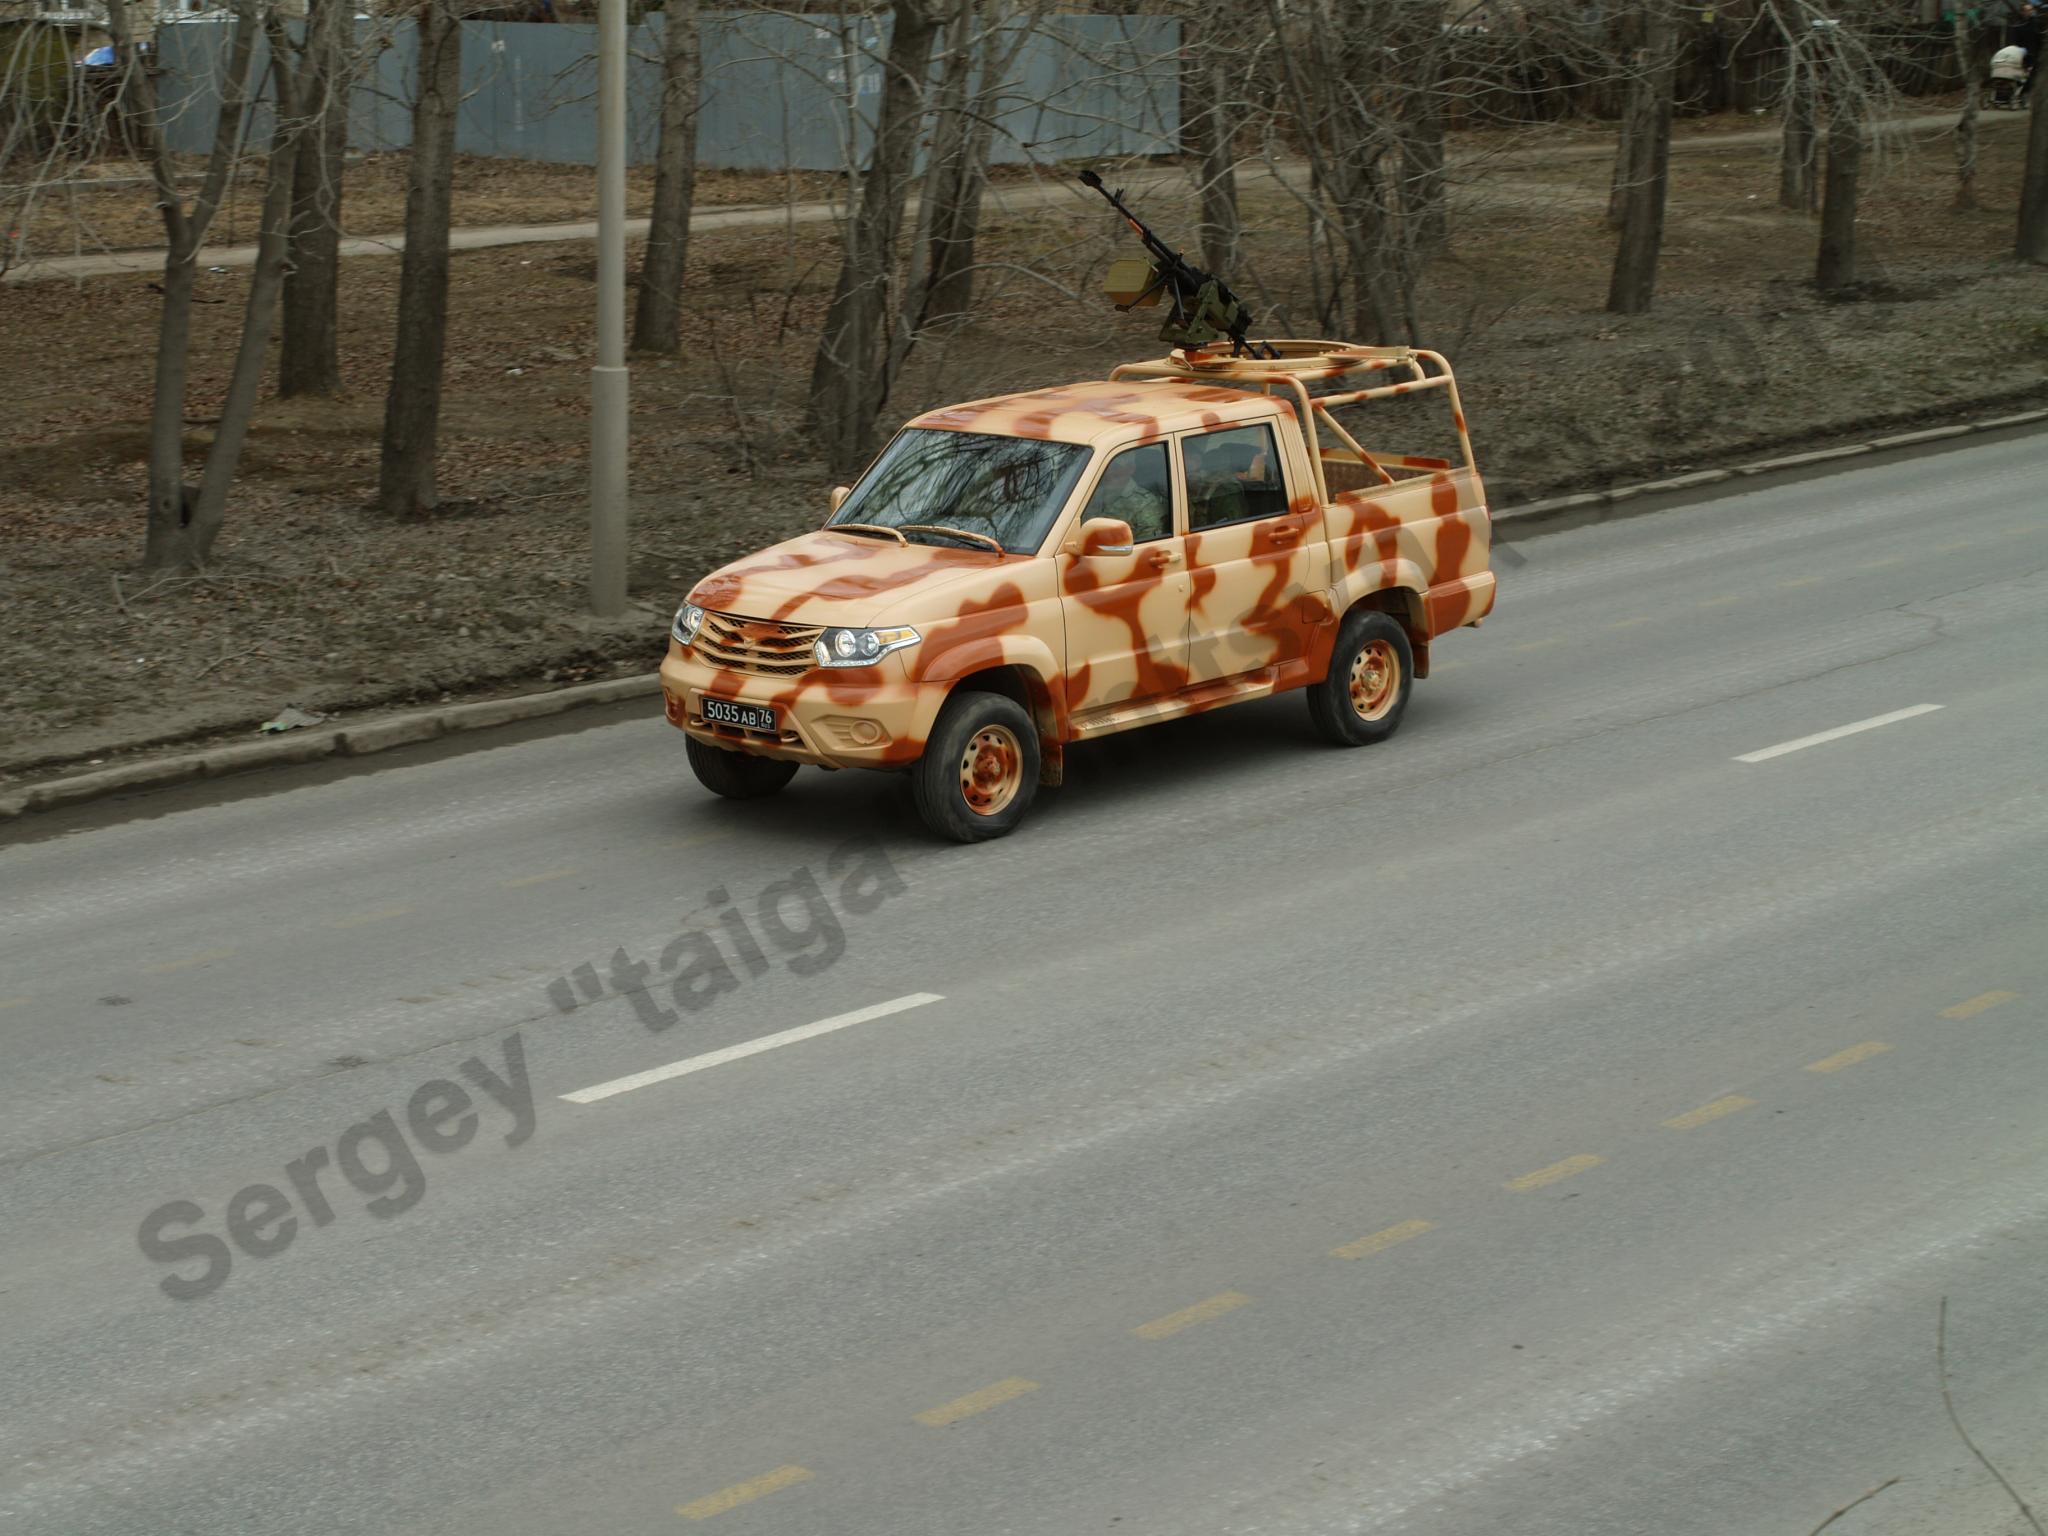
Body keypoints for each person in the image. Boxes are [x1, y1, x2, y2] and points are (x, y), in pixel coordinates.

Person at [1087, 449, 1171, 542]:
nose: (1109, 471)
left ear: (1131, 468)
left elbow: (1146, 545)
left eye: (1115, 466)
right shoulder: (1091, 491)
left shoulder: (1145, 504)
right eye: (1106, 466)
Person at [1991, 40, 2030, 109]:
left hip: (1996, 69)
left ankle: (1994, 99)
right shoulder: (2021, 52)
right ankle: (2016, 99)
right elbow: (2024, 65)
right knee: (2021, 84)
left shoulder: (2004, 51)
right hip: (2011, 71)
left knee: (1997, 86)